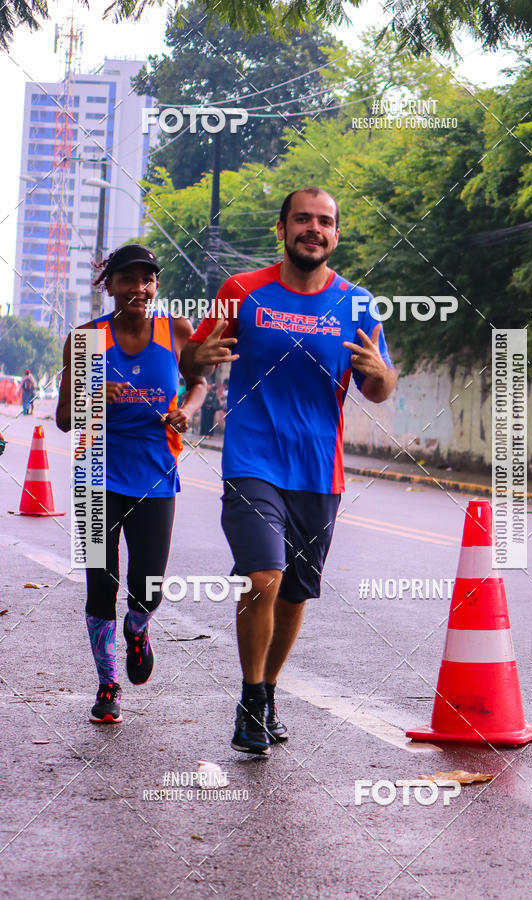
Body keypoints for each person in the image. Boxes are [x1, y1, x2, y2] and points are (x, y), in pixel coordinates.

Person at [181, 187, 396, 755]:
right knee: (263, 576)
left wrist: (379, 372)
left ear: (336, 234)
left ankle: (268, 692)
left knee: (295, 593)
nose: (313, 229)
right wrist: (196, 358)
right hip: (252, 460)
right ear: (282, 230)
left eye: (325, 221)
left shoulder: (357, 304)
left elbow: (379, 387)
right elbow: (193, 357)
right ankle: (251, 699)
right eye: (302, 219)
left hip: (318, 472)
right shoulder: (241, 291)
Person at [56, 244, 206, 724]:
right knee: (100, 586)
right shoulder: (86, 339)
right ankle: (108, 684)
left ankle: (138, 629)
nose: (139, 288)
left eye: (148, 279)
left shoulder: (175, 330)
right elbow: (64, 418)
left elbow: (199, 381)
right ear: (110, 285)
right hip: (95, 476)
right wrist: (94, 393)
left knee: (148, 586)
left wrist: (188, 410)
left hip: (155, 476)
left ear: (155, 285)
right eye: (128, 279)